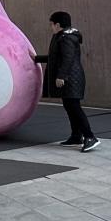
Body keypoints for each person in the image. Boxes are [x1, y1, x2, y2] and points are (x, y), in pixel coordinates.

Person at [34, 11, 99, 152]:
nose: (50, 27)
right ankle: (76, 136)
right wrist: (35, 58)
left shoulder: (66, 38)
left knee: (74, 107)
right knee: (70, 107)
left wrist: (61, 76)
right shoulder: (62, 36)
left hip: (71, 79)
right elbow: (55, 58)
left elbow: (67, 58)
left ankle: (90, 137)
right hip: (70, 78)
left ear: (57, 24)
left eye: (51, 24)